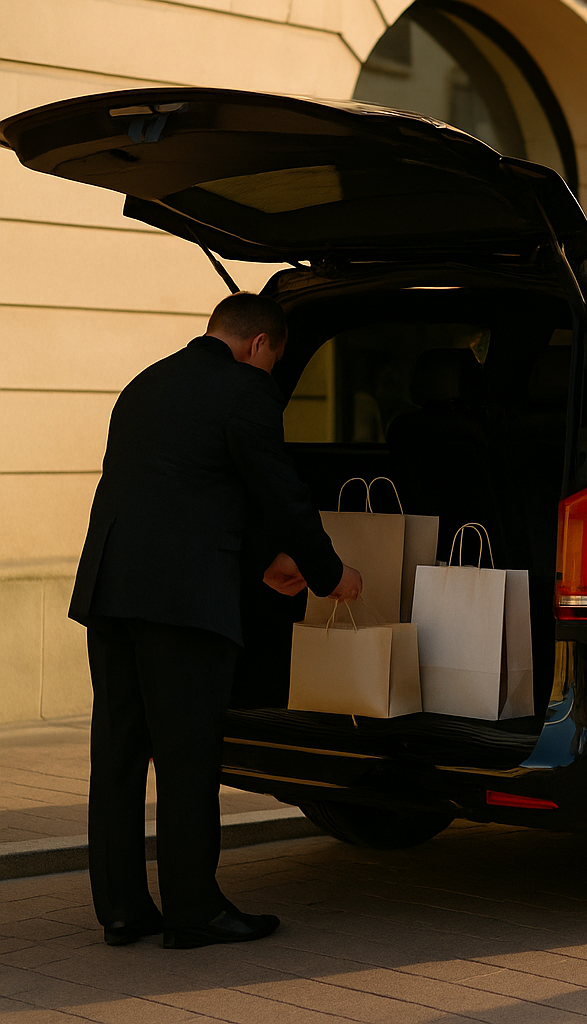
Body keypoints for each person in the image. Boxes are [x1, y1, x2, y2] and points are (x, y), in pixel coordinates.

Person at [69, 292, 363, 949]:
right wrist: (329, 572)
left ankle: (122, 910)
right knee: (186, 756)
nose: (268, 372)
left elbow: (184, 490)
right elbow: (277, 491)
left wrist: (261, 561)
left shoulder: (146, 383)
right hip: (183, 602)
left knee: (117, 754)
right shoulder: (244, 390)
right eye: (273, 361)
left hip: (111, 589)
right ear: (259, 345)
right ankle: (193, 910)